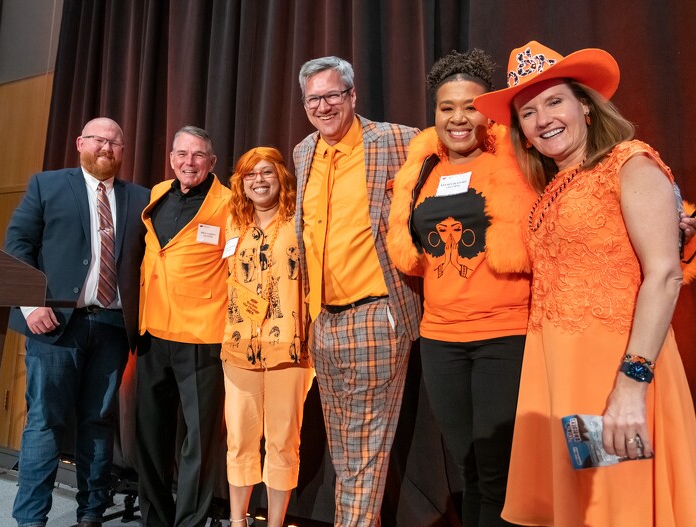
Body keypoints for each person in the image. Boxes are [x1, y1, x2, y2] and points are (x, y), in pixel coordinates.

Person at [473, 41, 696, 526]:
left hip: (618, 375)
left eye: (555, 101)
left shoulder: (630, 162)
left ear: (585, 104)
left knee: (619, 504)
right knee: (590, 507)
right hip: (565, 378)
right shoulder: (555, 186)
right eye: (527, 112)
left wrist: (632, 383)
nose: (543, 120)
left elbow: (665, 275)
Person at [386, 49, 536, 527]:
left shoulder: (518, 162)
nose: (457, 117)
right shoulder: (424, 170)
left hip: (504, 335)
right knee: (468, 468)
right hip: (441, 339)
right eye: (446, 107)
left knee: (497, 472)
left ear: (487, 110)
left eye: (470, 105)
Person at [293, 56, 422, 526]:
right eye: (314, 99)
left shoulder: (395, 139)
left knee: (366, 449)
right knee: (344, 448)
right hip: (324, 322)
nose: (323, 106)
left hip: (376, 314)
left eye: (332, 95)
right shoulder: (305, 151)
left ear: (352, 96)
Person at [5, 117, 149, 527]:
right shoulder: (46, 185)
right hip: (53, 326)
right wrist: (31, 306)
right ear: (79, 143)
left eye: (115, 142)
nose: (107, 147)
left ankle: (91, 514)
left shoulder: (140, 198)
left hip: (112, 328)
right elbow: (17, 247)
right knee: (46, 422)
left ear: (123, 151)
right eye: (99, 140)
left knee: (98, 423)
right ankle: (31, 520)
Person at [135, 125, 230, 527]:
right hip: (151, 331)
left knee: (199, 442)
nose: (188, 162)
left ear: (212, 162)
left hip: (201, 335)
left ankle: (190, 521)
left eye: (197, 156)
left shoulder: (229, 202)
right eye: (181, 154)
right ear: (171, 157)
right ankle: (155, 518)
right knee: (150, 436)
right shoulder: (156, 194)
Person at [221, 146, 314, 527]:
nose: (258, 181)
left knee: (283, 441)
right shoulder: (232, 224)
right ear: (241, 183)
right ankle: (238, 521)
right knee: (240, 440)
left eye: (267, 173)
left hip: (289, 350)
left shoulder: (301, 223)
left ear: (281, 178)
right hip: (238, 347)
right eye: (250, 175)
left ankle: (275, 523)